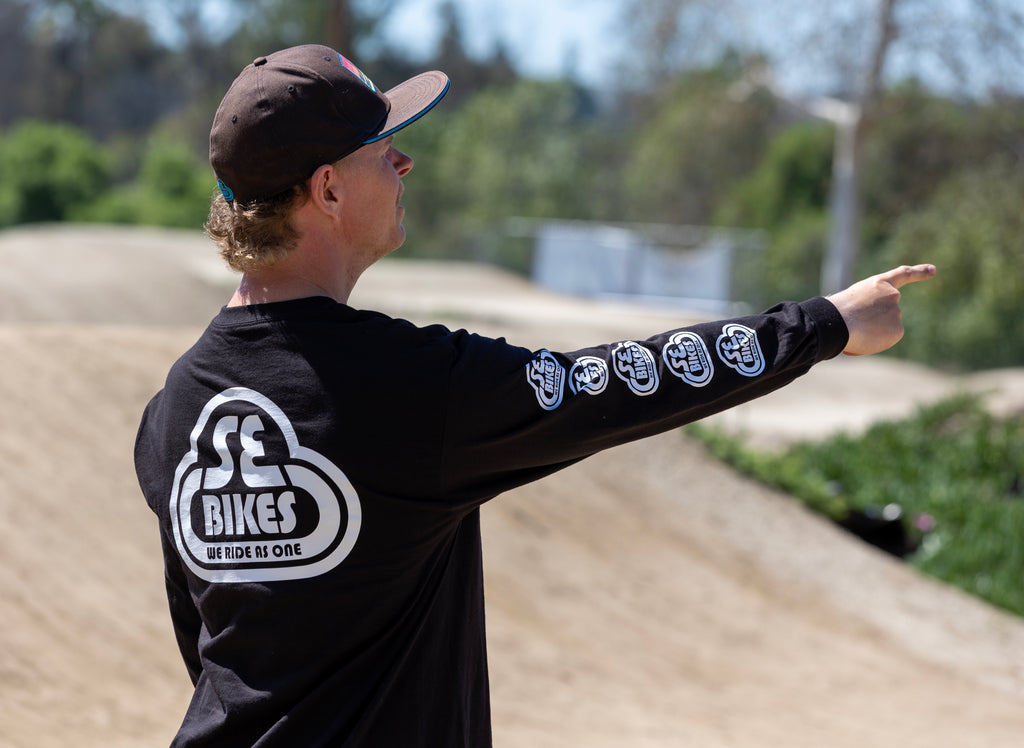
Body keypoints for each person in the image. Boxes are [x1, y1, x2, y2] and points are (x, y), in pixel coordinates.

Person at [133, 43, 936, 748]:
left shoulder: (173, 411)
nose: (405, 163)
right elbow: (631, 380)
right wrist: (826, 324)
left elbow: (212, 653)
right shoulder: (411, 388)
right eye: (382, 147)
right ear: (328, 190)